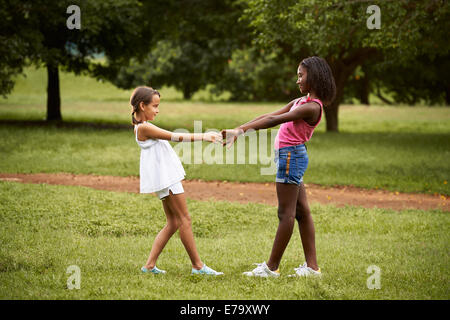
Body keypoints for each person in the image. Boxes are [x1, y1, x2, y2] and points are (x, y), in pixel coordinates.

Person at [222, 56, 336, 277]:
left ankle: (271, 268)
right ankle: (312, 268)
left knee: (286, 213)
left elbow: (275, 121)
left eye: (301, 75)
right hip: (291, 157)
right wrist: (239, 129)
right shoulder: (301, 101)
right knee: (301, 212)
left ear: (314, 76)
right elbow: (270, 115)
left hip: (291, 157)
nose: (298, 80)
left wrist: (241, 132)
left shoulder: (312, 107)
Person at [131, 86, 223, 276]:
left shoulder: (142, 126)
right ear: (142, 105)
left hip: (165, 177)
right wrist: (204, 136)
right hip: (167, 178)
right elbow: (175, 136)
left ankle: (149, 266)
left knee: (173, 222)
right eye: (155, 106)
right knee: (184, 219)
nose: (157, 110)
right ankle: (198, 266)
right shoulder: (145, 127)